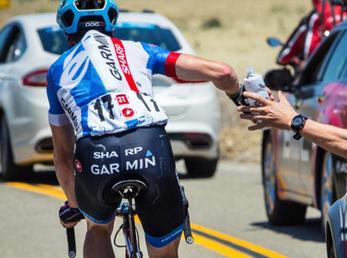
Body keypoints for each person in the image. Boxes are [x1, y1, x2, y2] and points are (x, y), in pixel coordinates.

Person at [48, 1, 241, 257]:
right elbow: (223, 72)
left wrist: (75, 205)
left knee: (98, 228)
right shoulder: (140, 50)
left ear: (66, 29)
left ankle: (97, 228)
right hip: (149, 143)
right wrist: (238, 94)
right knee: (163, 249)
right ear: (111, 23)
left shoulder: (56, 71)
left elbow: (62, 158)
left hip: (95, 151)